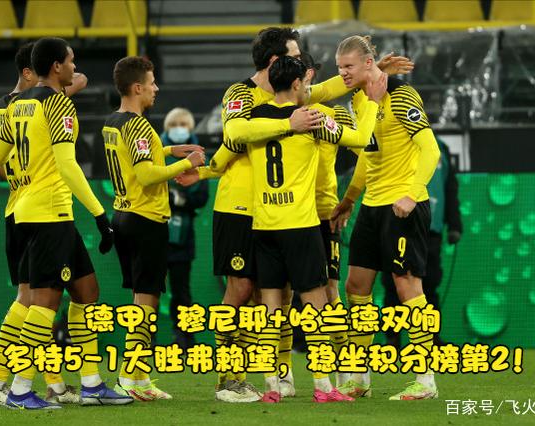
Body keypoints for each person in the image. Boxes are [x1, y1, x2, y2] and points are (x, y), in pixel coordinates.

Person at [175, 26, 413, 403]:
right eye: (297, 57)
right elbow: (234, 135)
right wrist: (292, 124)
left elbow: (331, 87)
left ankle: (281, 378)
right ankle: (232, 377)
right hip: (242, 209)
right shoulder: (245, 95)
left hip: (271, 215)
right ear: (278, 62)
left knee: (276, 299)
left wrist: (372, 70)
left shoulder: (293, 98)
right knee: (243, 291)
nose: (303, 64)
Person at [0, 37, 133, 409]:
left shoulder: (17, 104)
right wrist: (99, 215)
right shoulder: (58, 104)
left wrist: (25, 176)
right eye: (70, 60)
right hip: (49, 213)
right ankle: (20, 390)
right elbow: (68, 165)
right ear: (56, 66)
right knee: (45, 302)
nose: (74, 67)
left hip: (28, 210)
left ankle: (91, 385)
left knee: (87, 291)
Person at [241, 55, 378, 403]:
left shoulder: (254, 118)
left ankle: (272, 386)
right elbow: (361, 139)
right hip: (301, 225)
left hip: (264, 225)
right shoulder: (313, 118)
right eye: (306, 82)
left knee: (271, 307)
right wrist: (371, 103)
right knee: (316, 304)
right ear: (298, 84)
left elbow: (233, 135)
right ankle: (323, 386)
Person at [331, 35, 441, 400]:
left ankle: (425, 380)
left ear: (367, 63)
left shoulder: (402, 95)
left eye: (348, 66)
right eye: (339, 67)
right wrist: (350, 199)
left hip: (404, 203)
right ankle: (359, 378)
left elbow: (431, 150)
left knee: (407, 286)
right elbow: (367, 156)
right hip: (373, 206)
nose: (343, 73)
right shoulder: (359, 100)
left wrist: (411, 192)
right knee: (356, 286)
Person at [0, 42, 83, 407]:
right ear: (30, 72)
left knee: (39, 298)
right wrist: (30, 178)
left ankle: (49, 384)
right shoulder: (21, 106)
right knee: (38, 299)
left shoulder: (4, 107)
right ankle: (4, 383)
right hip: (39, 208)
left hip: (19, 208)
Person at [101, 56, 205, 401]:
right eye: (151, 82)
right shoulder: (140, 126)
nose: (156, 88)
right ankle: (131, 379)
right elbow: (146, 174)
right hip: (146, 219)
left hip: (123, 215)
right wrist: (185, 163)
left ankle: (138, 377)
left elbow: (136, 157)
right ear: (137, 87)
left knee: (140, 299)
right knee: (146, 303)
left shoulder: (113, 122)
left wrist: (169, 149)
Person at [381, 137, 462, 348]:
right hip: (396, 223)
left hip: (430, 228)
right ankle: (392, 337)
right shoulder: (394, 140)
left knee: (429, 284)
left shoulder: (441, 148)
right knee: (393, 283)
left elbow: (450, 189)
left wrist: (455, 224)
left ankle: (431, 336)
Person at [160, 107, 209, 350]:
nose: (179, 129)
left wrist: (179, 199)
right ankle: (143, 338)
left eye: (183, 124)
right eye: (174, 124)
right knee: (147, 289)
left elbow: (201, 196)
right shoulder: (156, 152)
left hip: (182, 235)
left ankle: (185, 338)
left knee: (182, 291)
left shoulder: (200, 156)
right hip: (155, 231)